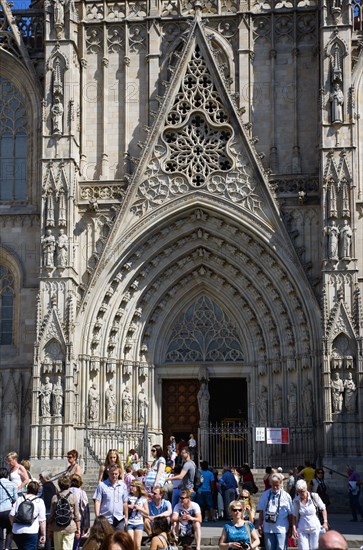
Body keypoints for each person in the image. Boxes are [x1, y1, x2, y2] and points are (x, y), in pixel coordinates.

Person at [257, 473, 293, 550]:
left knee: (281, 548)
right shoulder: (265, 495)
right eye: (273, 485)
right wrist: (260, 525)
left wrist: (291, 527)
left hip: (281, 528)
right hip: (268, 527)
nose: (275, 487)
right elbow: (261, 511)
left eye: (277, 485)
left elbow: (290, 514)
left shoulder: (286, 496)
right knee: (269, 548)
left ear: (281, 484)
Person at [9, 480, 46, 550]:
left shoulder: (19, 499)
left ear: (27, 489)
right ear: (37, 490)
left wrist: (13, 526)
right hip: (31, 531)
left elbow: (11, 515)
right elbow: (42, 520)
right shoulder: (39, 501)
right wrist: (43, 534)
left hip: (17, 531)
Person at [292, 479, 328, 550]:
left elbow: (323, 508)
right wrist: (294, 529)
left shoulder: (314, 496)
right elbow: (294, 516)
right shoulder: (296, 501)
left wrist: (325, 522)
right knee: (303, 548)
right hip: (302, 528)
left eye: (302, 491)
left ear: (306, 489)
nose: (301, 494)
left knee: (315, 548)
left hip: (315, 527)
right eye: (298, 492)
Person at [48, 475, 81, 550]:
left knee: (58, 548)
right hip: (70, 526)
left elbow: (52, 515)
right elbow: (76, 515)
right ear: (69, 484)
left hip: (57, 526)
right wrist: (78, 529)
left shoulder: (55, 497)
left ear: (59, 485)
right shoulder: (73, 497)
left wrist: (50, 528)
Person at [93, 464, 128, 530]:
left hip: (119, 518)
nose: (114, 476)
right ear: (108, 473)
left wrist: (126, 518)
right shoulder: (102, 485)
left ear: (119, 474)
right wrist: (97, 517)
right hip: (106, 519)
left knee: (119, 539)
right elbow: (97, 501)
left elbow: (125, 502)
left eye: (116, 474)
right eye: (112, 474)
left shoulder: (123, 486)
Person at [69, 474, 90, 548]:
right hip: (78, 520)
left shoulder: (65, 492)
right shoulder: (82, 493)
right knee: (76, 543)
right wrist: (86, 524)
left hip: (66, 520)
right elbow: (85, 509)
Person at [126, 480, 148, 550]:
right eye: (130, 485)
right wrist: (128, 506)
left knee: (138, 545)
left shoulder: (143, 498)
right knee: (131, 543)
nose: (131, 487)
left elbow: (147, 512)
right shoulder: (127, 496)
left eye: (133, 486)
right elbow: (122, 506)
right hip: (129, 522)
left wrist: (139, 508)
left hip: (139, 523)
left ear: (138, 487)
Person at [38, 471, 57, 550]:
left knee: (44, 533)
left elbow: (39, 498)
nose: (40, 479)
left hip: (44, 512)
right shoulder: (54, 486)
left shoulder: (42, 487)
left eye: (41, 477)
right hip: (52, 512)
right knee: (49, 533)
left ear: (45, 478)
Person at [0, 467, 17, 550]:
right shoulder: (12, 484)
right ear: (7, 475)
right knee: (9, 531)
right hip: (8, 510)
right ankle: (7, 548)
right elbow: (15, 499)